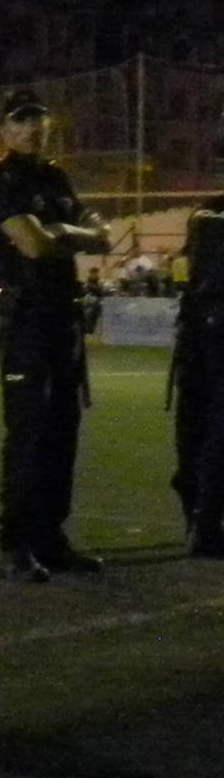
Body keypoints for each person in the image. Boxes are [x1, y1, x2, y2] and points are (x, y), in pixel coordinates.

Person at [0, 88, 111, 583]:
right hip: (28, 317)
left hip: (64, 315)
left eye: (39, 120)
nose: (32, 129)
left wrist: (64, 232)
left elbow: (101, 234)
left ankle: (50, 539)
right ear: (5, 131)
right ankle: (13, 544)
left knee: (62, 433)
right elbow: (32, 244)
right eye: (21, 121)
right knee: (30, 432)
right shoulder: (2, 181)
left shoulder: (55, 177)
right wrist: (75, 234)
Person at [169, 196, 224, 558]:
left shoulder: (203, 210)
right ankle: (206, 528)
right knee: (218, 429)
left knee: (194, 421)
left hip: (195, 326)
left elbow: (179, 266)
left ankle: (195, 520)